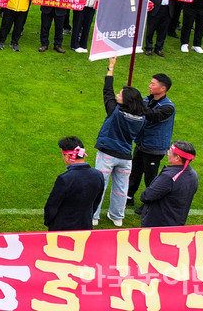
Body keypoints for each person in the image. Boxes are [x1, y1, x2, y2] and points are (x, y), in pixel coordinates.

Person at [93, 61, 147, 226]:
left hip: (107, 154)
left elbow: (107, 92)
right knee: (121, 188)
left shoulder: (115, 111)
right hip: (125, 157)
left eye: (120, 94)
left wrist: (111, 68)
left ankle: (94, 216)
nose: (117, 94)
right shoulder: (141, 117)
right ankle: (117, 217)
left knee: (99, 186)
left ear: (125, 101)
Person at [128, 73, 176, 215]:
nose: (149, 86)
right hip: (142, 144)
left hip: (155, 148)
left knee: (151, 178)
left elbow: (153, 116)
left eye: (153, 84)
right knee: (134, 172)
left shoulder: (168, 107)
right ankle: (129, 196)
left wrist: (135, 103)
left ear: (163, 89)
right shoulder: (146, 100)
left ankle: (150, 203)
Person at [43, 136, 103, 231]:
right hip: (85, 226)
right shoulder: (98, 175)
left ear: (67, 156)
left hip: (62, 227)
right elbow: (96, 202)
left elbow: (52, 206)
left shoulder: (64, 178)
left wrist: (48, 222)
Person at [140, 142, 199, 227]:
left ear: (177, 158)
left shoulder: (168, 177)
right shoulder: (193, 174)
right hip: (177, 222)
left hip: (158, 224)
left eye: (170, 152)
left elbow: (147, 196)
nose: (168, 154)